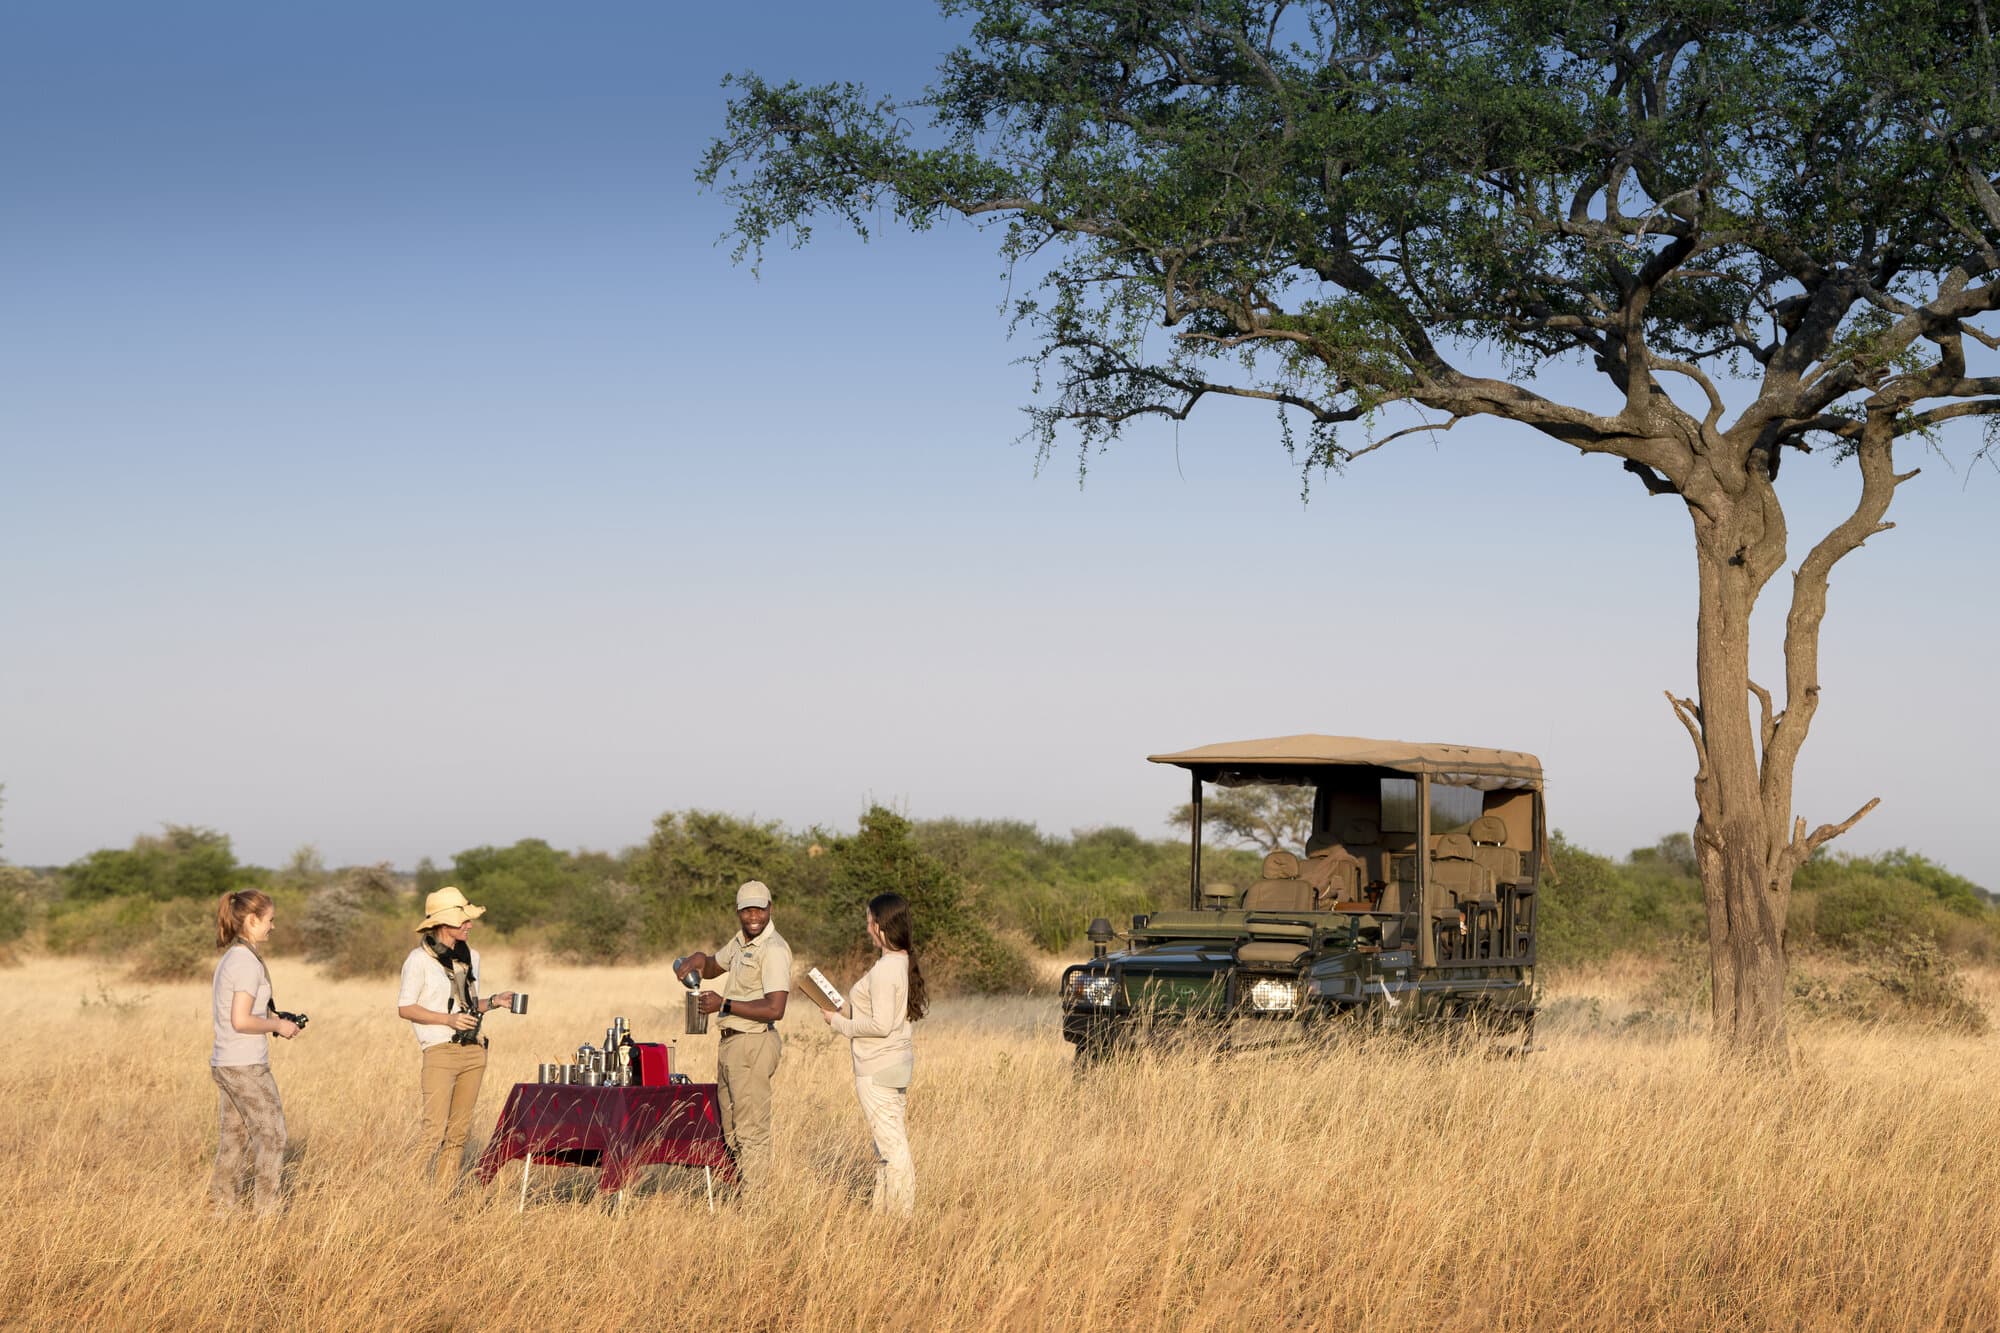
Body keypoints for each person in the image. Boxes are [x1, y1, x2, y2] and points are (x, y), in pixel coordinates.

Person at [674, 880, 792, 1195]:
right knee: (732, 1130)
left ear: (770, 908)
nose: (754, 915)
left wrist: (723, 1004)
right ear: (738, 912)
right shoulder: (741, 941)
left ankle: (756, 1211)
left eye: (759, 908)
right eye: (747, 910)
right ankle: (746, 1198)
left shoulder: (774, 949)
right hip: (731, 1042)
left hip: (753, 1042)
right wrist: (699, 959)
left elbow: (775, 1008)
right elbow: (714, 966)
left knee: (751, 1131)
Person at [396, 887, 515, 1190]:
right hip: (440, 1051)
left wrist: (494, 1001)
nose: (469, 925)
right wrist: (446, 1020)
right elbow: (405, 1008)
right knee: (433, 1131)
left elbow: (469, 1006)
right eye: (463, 920)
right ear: (443, 923)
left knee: (459, 1134)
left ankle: (443, 1196)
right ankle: (404, 1192)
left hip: (474, 1051)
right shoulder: (418, 960)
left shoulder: (471, 956)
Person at [820, 892, 927, 1216]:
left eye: (870, 922)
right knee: (886, 1144)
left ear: (881, 926)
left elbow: (880, 1025)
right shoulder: (900, 961)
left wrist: (838, 1022)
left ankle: (901, 1218)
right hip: (894, 1064)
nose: (867, 928)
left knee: (892, 1148)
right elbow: (885, 1014)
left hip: (877, 1066)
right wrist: (846, 1007)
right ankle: (884, 1215)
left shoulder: (885, 969)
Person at [210, 888, 299, 1215]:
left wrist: (276, 1019)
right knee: (274, 1136)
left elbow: (241, 1014)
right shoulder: (246, 962)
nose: (273, 926)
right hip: (246, 1064)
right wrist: (277, 1027)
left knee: (233, 1139)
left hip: (226, 1062)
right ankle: (267, 1215)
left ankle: (223, 1212)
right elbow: (241, 1020)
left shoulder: (232, 957)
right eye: (269, 920)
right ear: (251, 920)